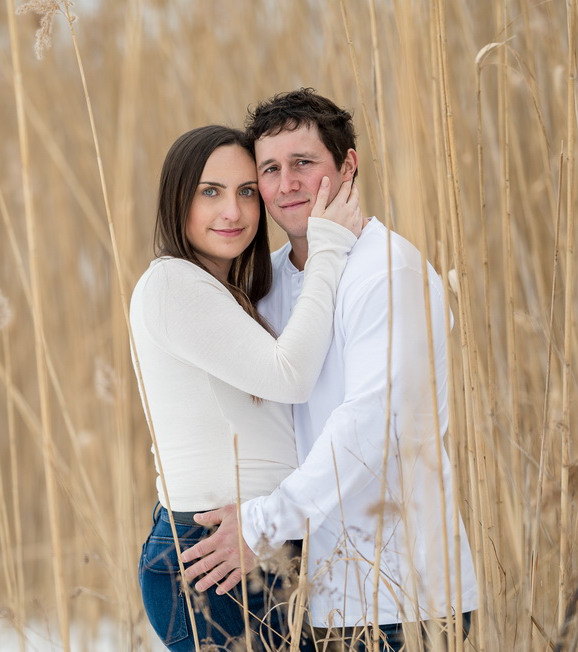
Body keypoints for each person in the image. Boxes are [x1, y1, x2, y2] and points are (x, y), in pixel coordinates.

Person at [180, 89, 480, 651]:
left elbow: (370, 429)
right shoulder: (266, 285)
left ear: (347, 167)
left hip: (401, 600)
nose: (286, 183)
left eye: (304, 163)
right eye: (270, 169)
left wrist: (261, 523)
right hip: (308, 599)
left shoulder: (388, 274)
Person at [130, 124, 363, 652]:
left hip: (255, 544)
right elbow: (292, 376)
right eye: (209, 192)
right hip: (213, 556)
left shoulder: (223, 293)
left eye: (246, 192)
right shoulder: (171, 283)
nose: (232, 212)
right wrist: (327, 250)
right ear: (177, 200)